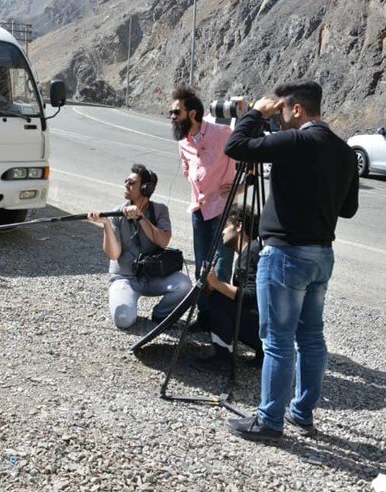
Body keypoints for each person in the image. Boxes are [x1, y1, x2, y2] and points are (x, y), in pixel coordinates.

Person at [222, 80, 359, 442]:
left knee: (278, 341)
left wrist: (256, 113)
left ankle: (269, 421)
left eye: (281, 112)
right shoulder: (344, 151)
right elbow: (348, 209)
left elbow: (235, 146)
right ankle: (302, 413)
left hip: (285, 254)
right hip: (321, 254)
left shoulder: (296, 141)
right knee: (311, 337)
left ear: (297, 109)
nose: (278, 120)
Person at [88, 164, 192, 329]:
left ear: (146, 188)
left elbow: (163, 241)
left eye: (131, 183)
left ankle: (161, 315)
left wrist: (141, 218)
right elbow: (114, 255)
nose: (126, 185)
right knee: (123, 320)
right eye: (126, 181)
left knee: (184, 285)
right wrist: (106, 224)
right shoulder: (117, 213)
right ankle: (127, 303)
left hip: (153, 276)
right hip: (125, 277)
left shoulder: (160, 210)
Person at [170, 85, 236, 281]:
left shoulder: (222, 133)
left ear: (192, 114)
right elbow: (187, 169)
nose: (172, 117)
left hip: (222, 210)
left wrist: (241, 186)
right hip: (199, 210)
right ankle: (203, 310)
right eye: (171, 112)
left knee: (222, 267)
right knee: (201, 266)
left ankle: (222, 311)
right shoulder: (182, 141)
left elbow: (248, 157)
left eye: (176, 112)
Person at [192, 204, 263, 370]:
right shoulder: (250, 251)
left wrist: (216, 284)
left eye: (225, 226)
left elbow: (251, 298)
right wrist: (210, 285)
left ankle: (223, 358)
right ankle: (262, 353)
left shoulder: (251, 253)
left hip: (267, 332)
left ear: (238, 227)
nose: (222, 231)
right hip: (266, 329)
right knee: (215, 299)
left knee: (218, 299)